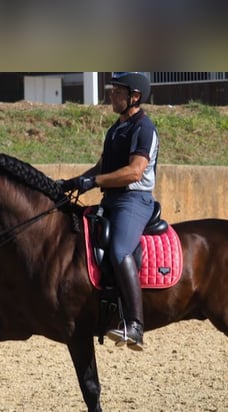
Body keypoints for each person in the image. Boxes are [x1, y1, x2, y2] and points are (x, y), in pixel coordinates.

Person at [62, 72, 158, 351]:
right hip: (111, 199)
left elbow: (134, 171)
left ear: (135, 97)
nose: (111, 96)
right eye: (112, 90)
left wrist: (95, 182)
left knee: (119, 251)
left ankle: (136, 325)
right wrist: (72, 183)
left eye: (118, 92)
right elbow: (101, 168)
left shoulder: (144, 128)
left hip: (134, 200)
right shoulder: (116, 128)